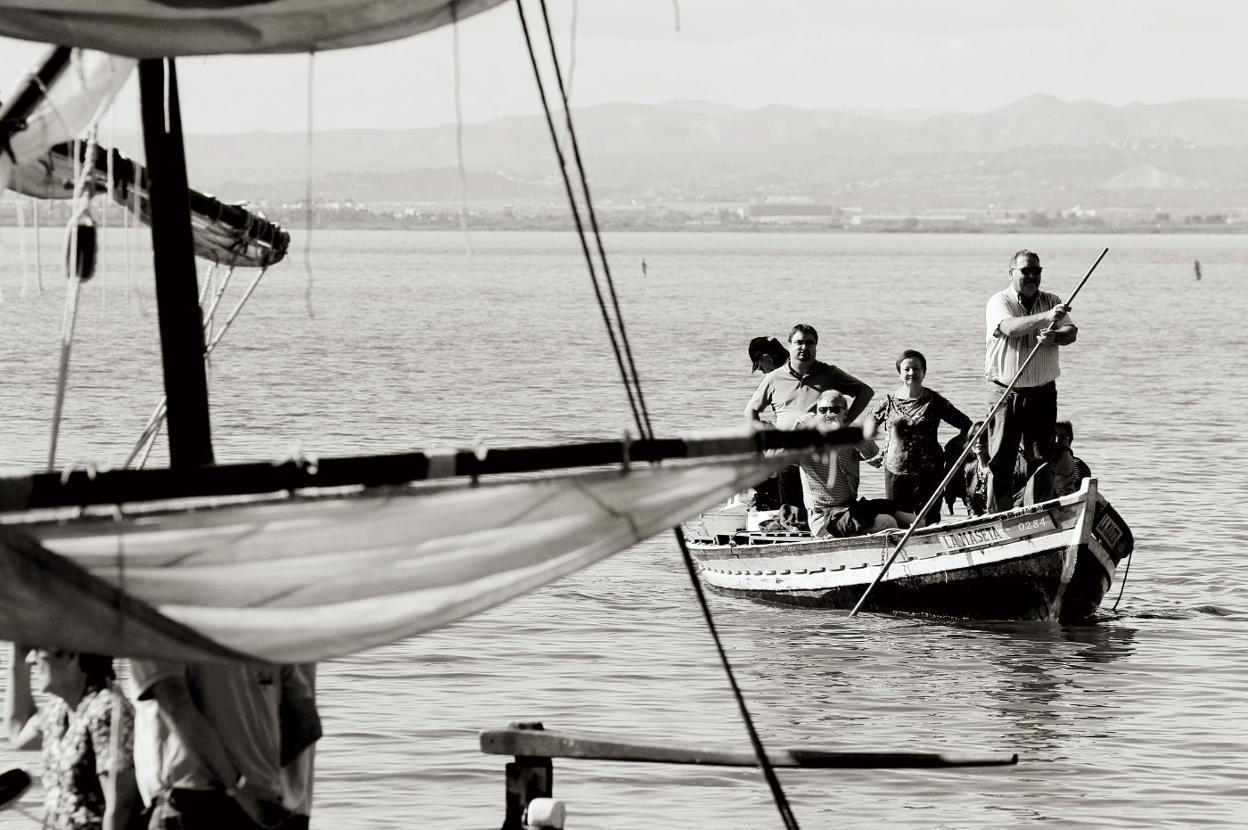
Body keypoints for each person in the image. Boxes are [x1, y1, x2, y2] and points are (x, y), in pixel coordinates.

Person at [129, 659, 310, 830]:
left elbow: (176, 705)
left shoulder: (155, 628)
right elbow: (305, 719)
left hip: (191, 804)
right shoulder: (270, 631)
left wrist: (239, 788)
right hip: (264, 803)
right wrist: (284, 795)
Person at [4, 643, 139, 830]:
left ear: (71, 655)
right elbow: (18, 731)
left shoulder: (106, 709)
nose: (32, 660)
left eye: (39, 651)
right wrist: (18, 654)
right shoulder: (57, 711)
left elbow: (121, 807)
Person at [984, 249, 1078, 512]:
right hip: (1006, 393)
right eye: (1026, 271)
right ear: (1011, 272)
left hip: (1042, 394)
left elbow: (1071, 332)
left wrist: (1055, 337)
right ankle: (998, 517)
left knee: (1041, 460)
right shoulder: (998, 301)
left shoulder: (1053, 300)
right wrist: (1047, 318)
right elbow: (1010, 328)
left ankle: (1035, 516)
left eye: (1036, 271)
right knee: (1001, 461)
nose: (1032, 276)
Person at [871, 349, 971, 525]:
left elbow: (967, 426)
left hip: (930, 472)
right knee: (900, 521)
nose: (912, 373)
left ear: (924, 372)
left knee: (930, 520)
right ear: (899, 373)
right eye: (907, 369)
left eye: (916, 369)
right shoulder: (888, 402)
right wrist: (877, 454)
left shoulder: (935, 401)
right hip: (896, 473)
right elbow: (864, 432)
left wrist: (952, 450)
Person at [795, 391, 915, 537]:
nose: (828, 414)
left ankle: (931, 534)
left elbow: (874, 455)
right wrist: (797, 427)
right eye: (822, 410)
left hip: (851, 508)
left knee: (904, 515)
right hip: (825, 519)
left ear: (845, 414)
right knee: (887, 522)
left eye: (834, 410)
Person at [746, 324, 875, 430]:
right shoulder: (774, 378)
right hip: (785, 454)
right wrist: (764, 441)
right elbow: (750, 411)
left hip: (817, 453)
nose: (804, 347)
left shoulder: (829, 373)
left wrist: (844, 423)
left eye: (809, 343)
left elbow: (866, 391)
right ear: (790, 345)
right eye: (799, 342)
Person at [1052, 420, 1092, 496]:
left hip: (1068, 500)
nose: (1056, 441)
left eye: (1060, 438)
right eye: (1053, 437)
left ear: (1069, 439)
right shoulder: (1043, 461)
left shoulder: (1078, 464)